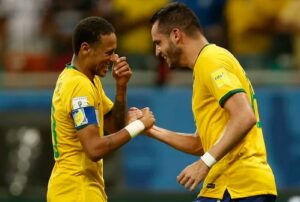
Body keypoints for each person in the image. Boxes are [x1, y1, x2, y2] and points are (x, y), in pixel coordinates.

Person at [147, 2, 277, 201]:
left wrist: (204, 163)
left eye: (158, 42)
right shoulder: (204, 66)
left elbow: (244, 116)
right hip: (226, 185)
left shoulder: (211, 59)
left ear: (176, 35)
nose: (157, 52)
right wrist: (150, 130)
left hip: (238, 185)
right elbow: (200, 144)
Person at [47, 16, 155, 202]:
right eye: (109, 53)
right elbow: (94, 148)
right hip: (76, 191)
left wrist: (121, 88)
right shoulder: (78, 86)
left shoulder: (88, 80)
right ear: (85, 49)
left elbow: (113, 126)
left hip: (78, 189)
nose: (114, 59)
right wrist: (139, 126)